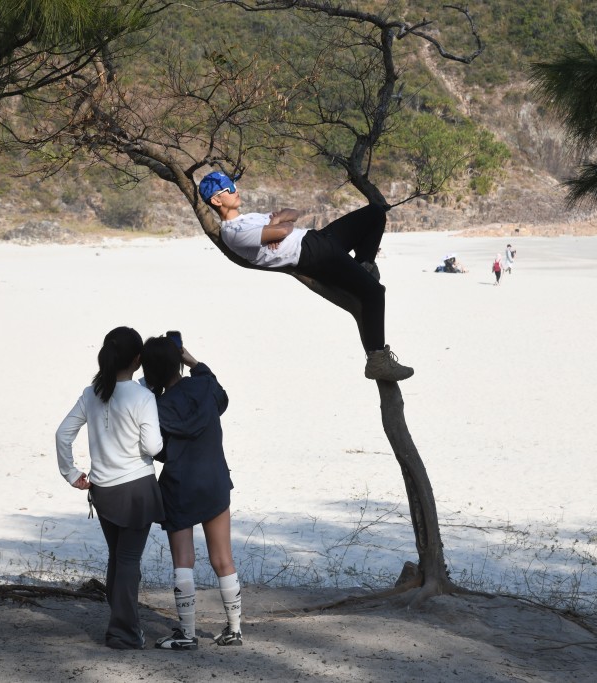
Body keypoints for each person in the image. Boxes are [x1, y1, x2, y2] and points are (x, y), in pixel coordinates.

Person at [199, 171, 412, 382]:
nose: (236, 191)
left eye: (234, 185)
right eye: (229, 189)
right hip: (312, 254)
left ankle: (363, 268)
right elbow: (284, 230)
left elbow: (292, 214)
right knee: (374, 293)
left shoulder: (248, 219)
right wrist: (278, 225)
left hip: (317, 239)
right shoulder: (233, 232)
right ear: (216, 199)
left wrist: (278, 222)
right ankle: (378, 360)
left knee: (374, 213)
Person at [55, 326, 164, 650]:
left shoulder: (92, 393)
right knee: (128, 561)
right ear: (137, 360)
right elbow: (154, 447)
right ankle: (124, 632)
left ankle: (121, 625)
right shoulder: (142, 397)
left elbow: (63, 434)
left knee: (117, 558)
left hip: (103, 492)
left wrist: (71, 473)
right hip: (135, 491)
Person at [140, 336, 243, 650]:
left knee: (183, 561)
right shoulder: (204, 387)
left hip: (179, 486)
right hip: (214, 480)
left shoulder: (155, 406)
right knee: (223, 558)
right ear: (178, 362)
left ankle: (186, 634)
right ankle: (234, 630)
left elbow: (156, 450)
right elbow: (222, 399)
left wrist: (150, 387)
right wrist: (193, 361)